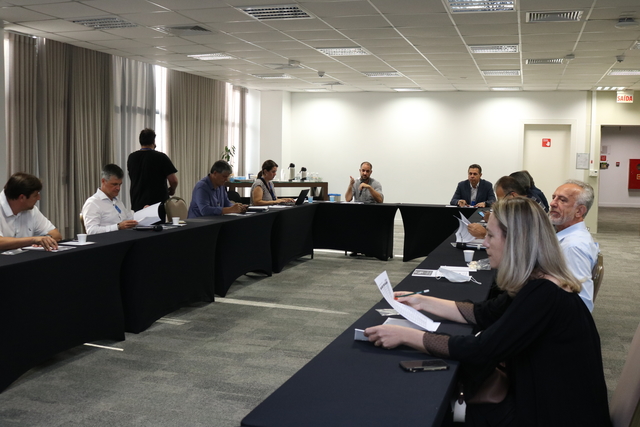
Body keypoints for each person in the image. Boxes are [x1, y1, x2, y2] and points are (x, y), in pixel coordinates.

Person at [364, 197, 611, 426]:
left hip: (553, 414)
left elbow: (481, 350)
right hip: (548, 400)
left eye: (491, 236)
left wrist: (406, 336)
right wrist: (421, 302)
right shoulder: (539, 282)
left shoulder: (543, 294)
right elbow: (484, 313)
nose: (484, 243)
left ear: (515, 242)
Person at [549, 180, 599, 312]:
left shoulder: (573, 248)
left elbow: (582, 303)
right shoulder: (568, 237)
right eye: (554, 197)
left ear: (579, 211)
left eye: (562, 200)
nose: (552, 203)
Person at [0, 172, 62, 252]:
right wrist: (33, 240)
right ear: (22, 197)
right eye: (35, 195)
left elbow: (56, 234)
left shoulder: (31, 210)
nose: (39, 198)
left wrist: (46, 239)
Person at [127, 128, 178, 214]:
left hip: (138, 201)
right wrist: (172, 189)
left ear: (140, 141)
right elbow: (173, 180)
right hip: (157, 203)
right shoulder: (161, 157)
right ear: (153, 141)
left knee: (140, 222)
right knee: (158, 223)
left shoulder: (132, 157)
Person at [81, 164, 138, 235]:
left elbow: (130, 219)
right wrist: (117, 227)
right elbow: (91, 231)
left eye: (120, 184)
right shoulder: (93, 203)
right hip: (108, 240)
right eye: (114, 184)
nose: (118, 188)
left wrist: (145, 212)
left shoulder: (117, 201)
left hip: (125, 238)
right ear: (103, 181)